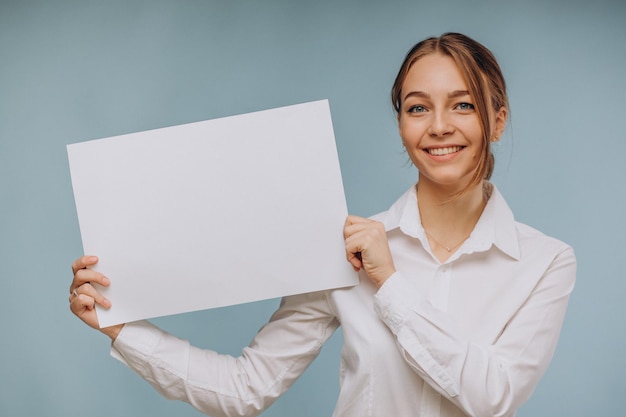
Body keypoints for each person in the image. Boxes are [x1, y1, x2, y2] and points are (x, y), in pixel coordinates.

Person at [69, 32, 576, 417]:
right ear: (401, 124)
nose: (439, 126)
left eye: (462, 104)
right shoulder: (342, 249)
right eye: (418, 107)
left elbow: (493, 396)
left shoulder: (545, 262)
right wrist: (121, 325)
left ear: (498, 119)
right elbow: (246, 387)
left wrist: (391, 284)